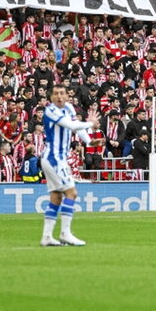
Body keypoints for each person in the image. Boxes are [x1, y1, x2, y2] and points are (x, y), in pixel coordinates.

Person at [40, 85, 100, 247]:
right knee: (71, 193)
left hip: (57, 159)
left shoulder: (69, 108)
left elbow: (76, 127)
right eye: (55, 93)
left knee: (56, 197)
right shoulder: (50, 111)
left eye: (62, 93)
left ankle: (46, 237)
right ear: (51, 97)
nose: (59, 96)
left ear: (67, 96)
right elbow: (72, 126)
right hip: (54, 159)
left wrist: (88, 141)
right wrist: (90, 123)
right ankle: (65, 234)